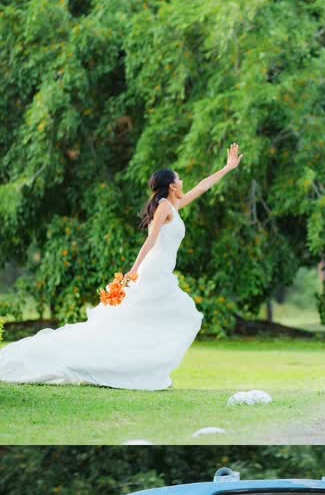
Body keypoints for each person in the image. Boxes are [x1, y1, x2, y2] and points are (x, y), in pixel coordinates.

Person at [0, 146, 242, 389]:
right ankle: (132, 369)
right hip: (153, 272)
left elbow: (202, 187)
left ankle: (145, 370)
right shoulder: (165, 208)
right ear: (172, 186)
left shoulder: (173, 206)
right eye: (179, 178)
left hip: (162, 273)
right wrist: (133, 271)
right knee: (178, 314)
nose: (182, 180)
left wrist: (227, 168)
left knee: (154, 319)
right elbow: (151, 240)